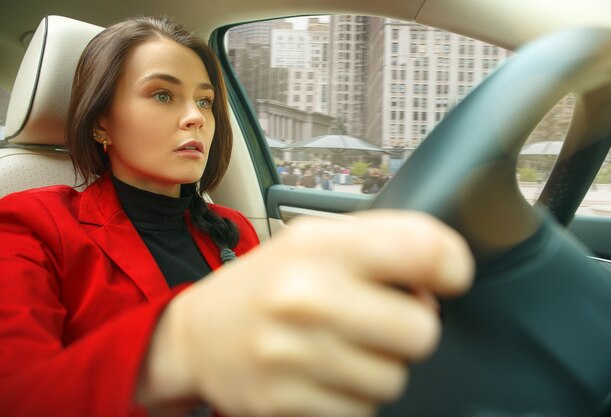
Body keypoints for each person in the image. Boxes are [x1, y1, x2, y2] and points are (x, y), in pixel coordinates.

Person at [0, 16, 474, 417]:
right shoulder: (30, 223)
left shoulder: (232, 228)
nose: (196, 118)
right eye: (163, 95)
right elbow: (18, 396)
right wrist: (179, 346)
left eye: (204, 101)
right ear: (102, 121)